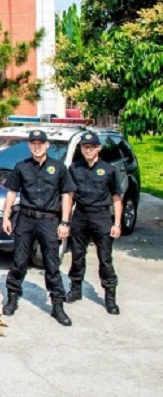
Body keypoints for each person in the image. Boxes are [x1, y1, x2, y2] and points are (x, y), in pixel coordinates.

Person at [2, 130, 76, 326]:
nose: (37, 147)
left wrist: (65, 222)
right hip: (25, 219)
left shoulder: (58, 167)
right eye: (33, 143)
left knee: (52, 264)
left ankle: (57, 305)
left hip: (49, 220)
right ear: (29, 145)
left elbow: (67, 195)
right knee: (19, 261)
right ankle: (12, 297)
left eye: (40, 143)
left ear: (47, 145)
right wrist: (6, 216)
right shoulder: (21, 167)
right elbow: (11, 192)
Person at [66, 132, 123, 314]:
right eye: (85, 147)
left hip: (101, 216)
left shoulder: (109, 170)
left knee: (105, 258)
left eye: (91, 147)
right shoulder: (74, 168)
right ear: (81, 149)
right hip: (81, 215)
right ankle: (75, 289)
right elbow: (69, 196)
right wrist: (65, 221)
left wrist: (117, 224)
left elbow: (116, 198)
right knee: (77, 256)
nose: (88, 150)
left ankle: (110, 298)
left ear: (98, 148)